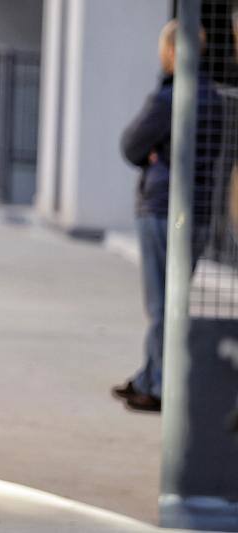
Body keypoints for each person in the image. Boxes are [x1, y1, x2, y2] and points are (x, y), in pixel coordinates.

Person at [112, 20, 223, 413]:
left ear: (174, 52)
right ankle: (149, 375)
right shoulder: (213, 96)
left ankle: (158, 386)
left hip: (162, 208)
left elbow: (130, 144)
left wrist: (154, 153)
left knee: (161, 302)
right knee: (170, 301)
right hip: (197, 210)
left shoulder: (170, 98)